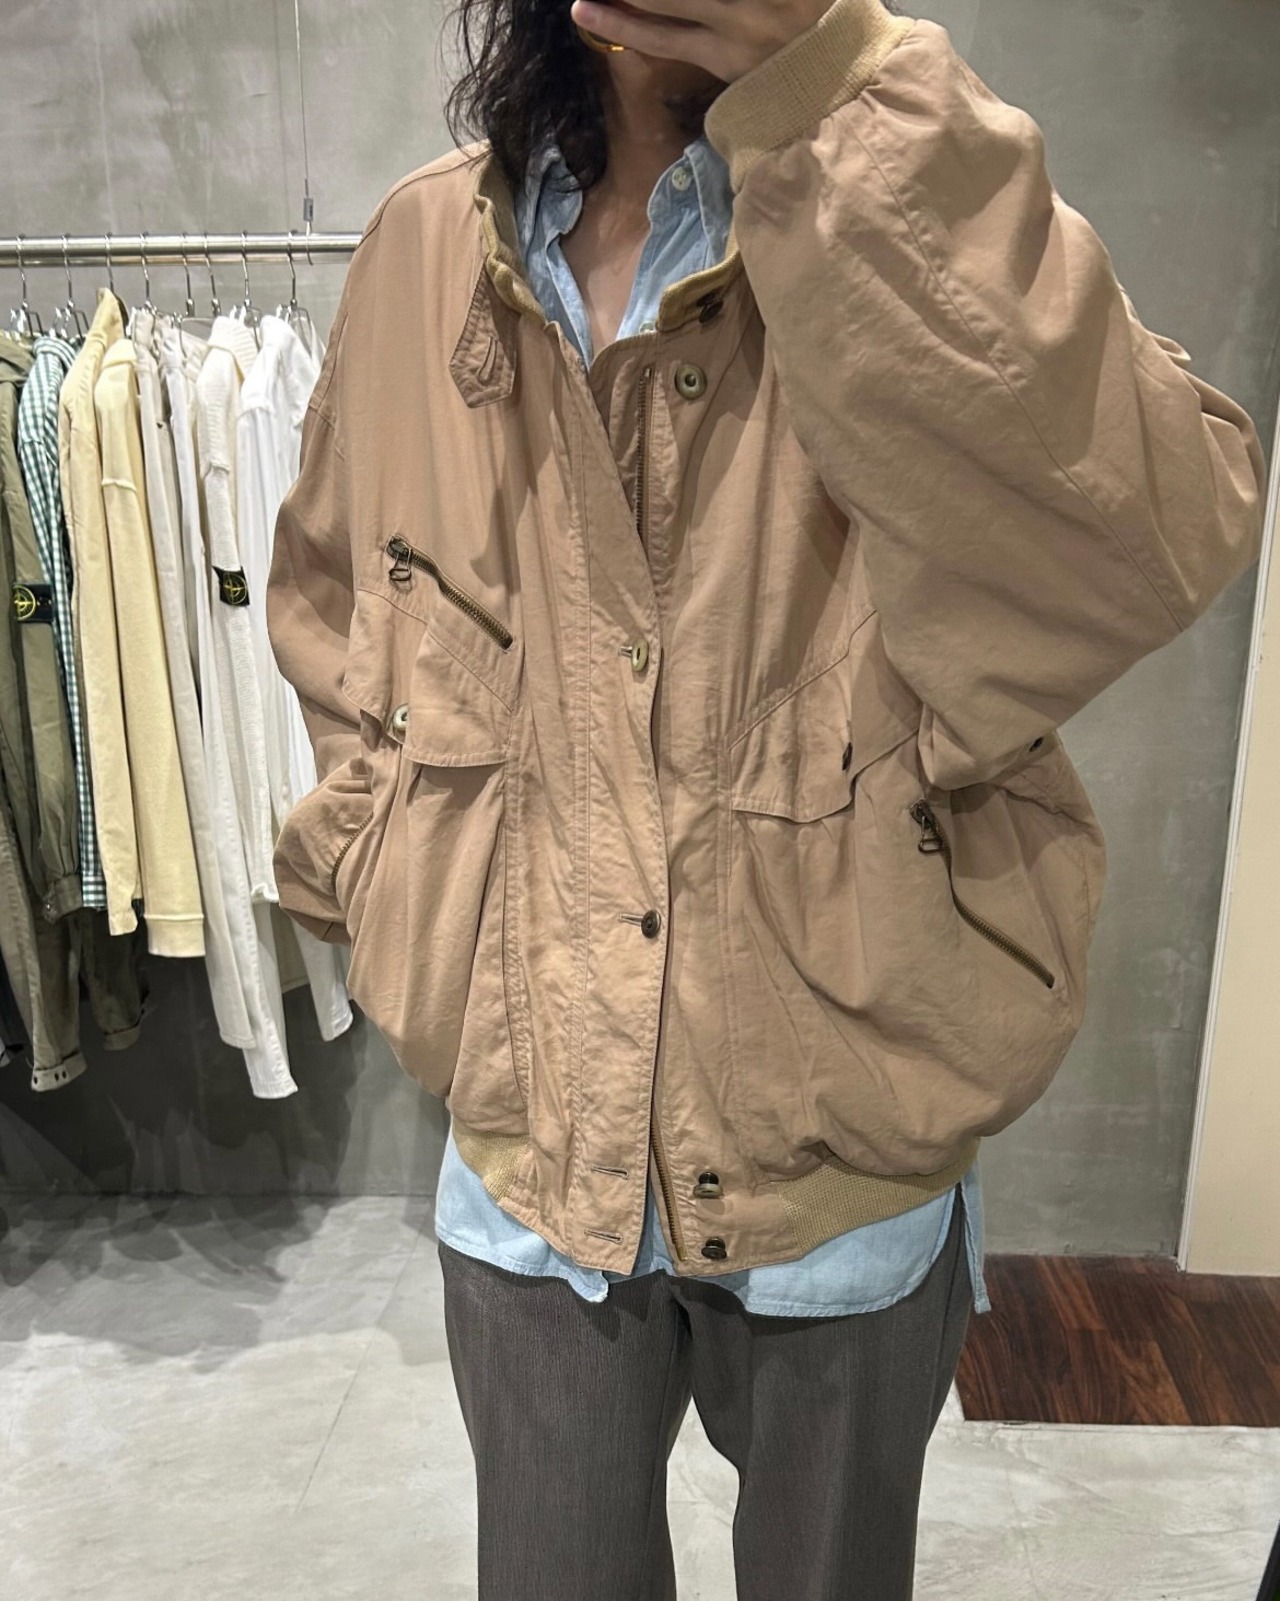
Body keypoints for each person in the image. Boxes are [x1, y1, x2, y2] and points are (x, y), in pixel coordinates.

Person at [265, 0, 1267, 1596]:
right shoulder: (423, 248)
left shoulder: (888, 190)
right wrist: (398, 874)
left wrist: (836, 90)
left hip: (844, 1127)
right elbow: (335, 604)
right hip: (531, 1146)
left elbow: (1146, 536)